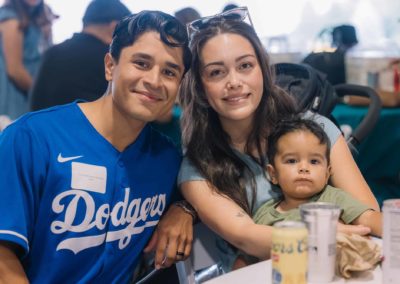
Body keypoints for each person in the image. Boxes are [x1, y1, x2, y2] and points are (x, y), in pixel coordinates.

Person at [174, 6, 379, 272]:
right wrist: (322, 235)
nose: (234, 81)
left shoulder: (316, 129)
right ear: (200, 87)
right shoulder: (198, 167)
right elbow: (246, 236)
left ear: (264, 71)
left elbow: (367, 214)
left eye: (245, 66)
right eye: (216, 72)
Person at [0, 10, 192, 283]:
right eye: (141, 63)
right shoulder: (31, 139)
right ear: (110, 66)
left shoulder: (166, 158)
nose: (154, 81)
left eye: (170, 72)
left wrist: (184, 210)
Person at [233, 117, 382, 268]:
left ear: (327, 174)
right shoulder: (264, 215)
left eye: (314, 161)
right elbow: (246, 257)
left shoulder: (333, 199)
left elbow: (369, 218)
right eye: (291, 161)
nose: (304, 168)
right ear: (273, 174)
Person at [30, 0, 131, 111]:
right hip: (84, 126)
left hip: (39, 125)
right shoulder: (109, 59)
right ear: (113, 28)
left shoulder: (52, 52)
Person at [0, 0, 55, 120]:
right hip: (14, 101)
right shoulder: (11, 18)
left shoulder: (39, 19)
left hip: (31, 97)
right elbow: (14, 70)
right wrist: (44, 93)